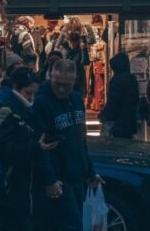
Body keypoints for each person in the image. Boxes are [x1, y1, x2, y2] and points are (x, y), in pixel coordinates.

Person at [32, 59, 104, 231]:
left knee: (75, 222)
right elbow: (40, 146)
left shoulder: (77, 99)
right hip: (59, 177)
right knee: (71, 225)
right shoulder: (41, 102)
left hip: (76, 174)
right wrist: (49, 180)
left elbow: (80, 140)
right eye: (58, 84)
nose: (62, 89)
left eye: (67, 85)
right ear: (51, 77)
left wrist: (90, 171)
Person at [0, 67, 58, 231]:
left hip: (21, 188)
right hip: (8, 188)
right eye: (28, 93)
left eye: (33, 94)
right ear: (16, 87)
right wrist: (36, 147)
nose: (31, 98)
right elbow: (5, 150)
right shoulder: (3, 110)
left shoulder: (24, 109)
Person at [99, 52, 139, 139]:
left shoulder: (116, 81)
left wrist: (105, 115)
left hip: (118, 123)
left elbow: (113, 103)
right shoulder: (132, 79)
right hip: (130, 121)